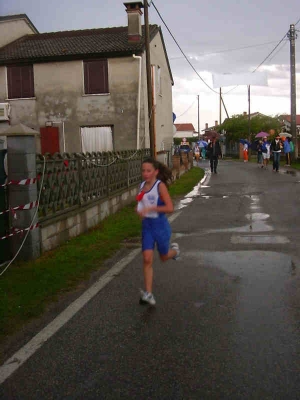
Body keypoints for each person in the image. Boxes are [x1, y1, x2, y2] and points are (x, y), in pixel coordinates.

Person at [136, 158, 180, 306]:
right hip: (147, 227)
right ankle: (148, 294)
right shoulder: (141, 186)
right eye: (143, 171)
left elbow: (170, 208)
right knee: (147, 258)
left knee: (163, 256)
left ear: (156, 172)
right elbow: (141, 204)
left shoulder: (160, 186)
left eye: (149, 171)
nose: (145, 173)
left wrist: (151, 209)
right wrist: (140, 211)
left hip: (160, 227)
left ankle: (174, 252)